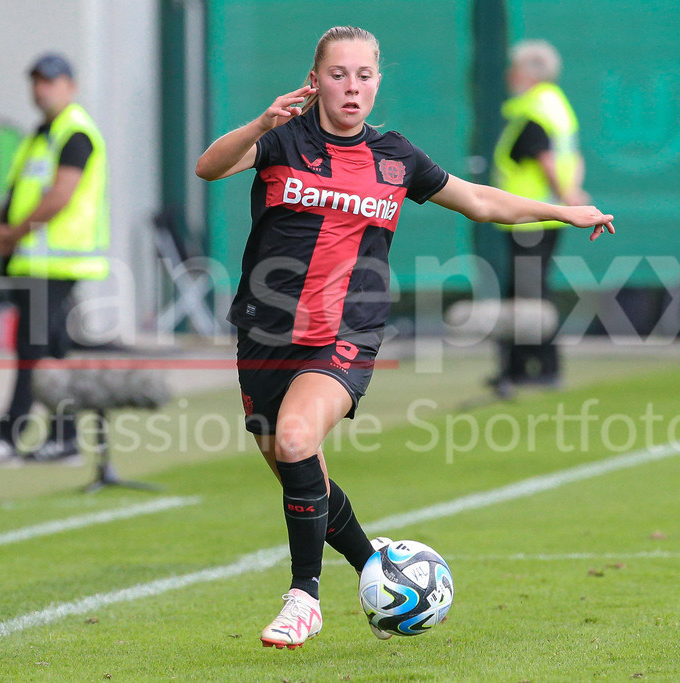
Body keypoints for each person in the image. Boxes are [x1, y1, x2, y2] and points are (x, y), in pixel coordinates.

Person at [195, 25, 613, 649]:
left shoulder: (395, 156)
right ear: (317, 81)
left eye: (364, 75)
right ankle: (373, 565)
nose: (352, 87)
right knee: (293, 466)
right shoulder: (283, 139)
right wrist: (258, 125)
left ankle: (303, 597)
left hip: (345, 331)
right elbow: (209, 167)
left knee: (297, 437)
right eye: (339, 75)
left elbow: (477, 200)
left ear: (377, 81)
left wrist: (564, 209)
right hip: (263, 332)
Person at [0, 53, 109, 466]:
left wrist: (13, 232)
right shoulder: (42, 134)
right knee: (51, 350)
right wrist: (5, 231)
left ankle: (12, 437)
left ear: (70, 85)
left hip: (54, 263)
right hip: (37, 262)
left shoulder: (73, 133)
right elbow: (22, 192)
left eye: (50, 80)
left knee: (32, 349)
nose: (40, 88)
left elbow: (60, 195)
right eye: (37, 80)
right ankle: (62, 439)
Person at [487, 39, 589, 399]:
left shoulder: (534, 108)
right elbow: (573, 157)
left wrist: (565, 198)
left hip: (531, 218)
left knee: (529, 296)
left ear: (530, 72)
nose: (509, 74)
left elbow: (546, 159)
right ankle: (520, 367)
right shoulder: (557, 106)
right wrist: (571, 195)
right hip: (541, 217)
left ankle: (541, 368)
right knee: (528, 293)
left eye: (515, 67)